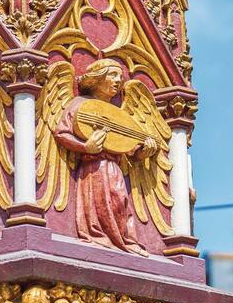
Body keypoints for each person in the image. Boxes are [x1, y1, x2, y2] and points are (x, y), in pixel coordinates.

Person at [54, 59, 158, 256]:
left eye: (120, 76)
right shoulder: (80, 104)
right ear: (97, 79)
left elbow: (130, 150)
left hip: (114, 168)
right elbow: (61, 133)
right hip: (94, 167)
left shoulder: (119, 115)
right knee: (102, 202)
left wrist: (144, 152)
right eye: (113, 75)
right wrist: (86, 146)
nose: (118, 81)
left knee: (120, 200)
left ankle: (125, 240)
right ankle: (99, 236)